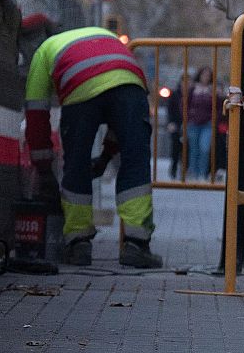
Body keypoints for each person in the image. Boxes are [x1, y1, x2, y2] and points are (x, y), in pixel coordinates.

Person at [22, 15, 162, 269]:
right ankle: (136, 245)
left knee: (76, 164)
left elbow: (36, 118)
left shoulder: (42, 52)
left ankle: (78, 244)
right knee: (135, 160)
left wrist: (43, 169)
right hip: (131, 83)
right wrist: (108, 155)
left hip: (80, 88)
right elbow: (118, 116)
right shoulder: (100, 34)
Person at [185, 67, 217, 179]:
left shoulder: (212, 90)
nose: (206, 77)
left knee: (204, 148)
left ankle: (203, 173)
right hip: (193, 123)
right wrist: (188, 118)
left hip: (207, 123)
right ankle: (193, 172)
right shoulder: (193, 89)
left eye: (208, 75)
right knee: (194, 149)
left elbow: (217, 106)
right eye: (204, 75)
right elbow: (185, 104)